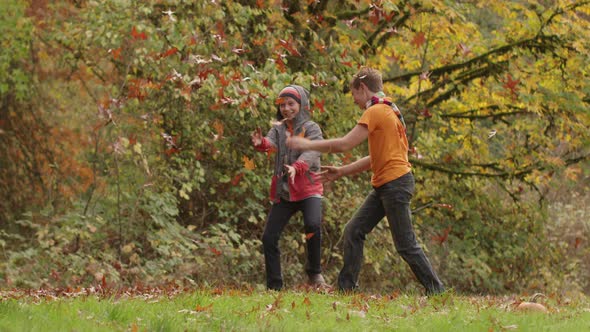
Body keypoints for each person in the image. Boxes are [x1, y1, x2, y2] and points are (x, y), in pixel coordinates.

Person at [286, 67, 445, 295]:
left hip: (395, 184)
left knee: (406, 245)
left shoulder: (377, 111)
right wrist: (341, 171)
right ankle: (346, 289)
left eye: (354, 95)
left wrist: (307, 144)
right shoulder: (390, 110)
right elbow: (375, 158)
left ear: (362, 88)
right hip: (387, 184)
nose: (355, 102)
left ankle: (437, 291)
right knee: (354, 230)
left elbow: (344, 144)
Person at [251, 84, 327, 290]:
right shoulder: (279, 128)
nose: (286, 108)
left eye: (291, 104)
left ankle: (314, 274)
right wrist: (261, 143)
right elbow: (270, 141)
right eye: (283, 105)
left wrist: (297, 167)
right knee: (269, 237)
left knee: (312, 225)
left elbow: (312, 153)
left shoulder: (312, 128)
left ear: (301, 105)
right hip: (285, 192)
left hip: (308, 189)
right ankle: (274, 286)